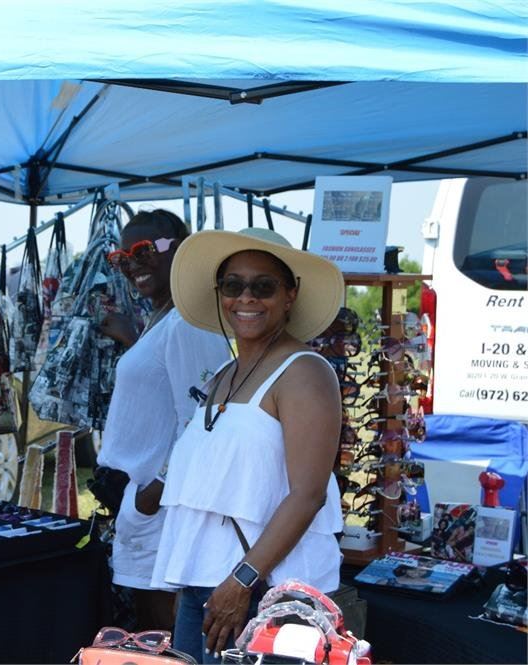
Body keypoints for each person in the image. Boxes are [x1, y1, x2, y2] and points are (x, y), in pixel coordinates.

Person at [151, 227, 345, 661]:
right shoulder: (225, 373)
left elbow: (308, 494)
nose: (247, 298)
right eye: (233, 285)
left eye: (264, 286)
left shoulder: (304, 372)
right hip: (207, 587)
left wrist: (241, 580)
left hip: (265, 593)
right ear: (219, 293)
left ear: (291, 294)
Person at [97, 209, 230, 630]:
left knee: (160, 638)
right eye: (122, 257)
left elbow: (203, 416)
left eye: (144, 250)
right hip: (145, 500)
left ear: (182, 251)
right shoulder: (165, 318)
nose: (133, 264)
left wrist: (152, 493)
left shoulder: (190, 323)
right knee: (149, 635)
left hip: (161, 505)